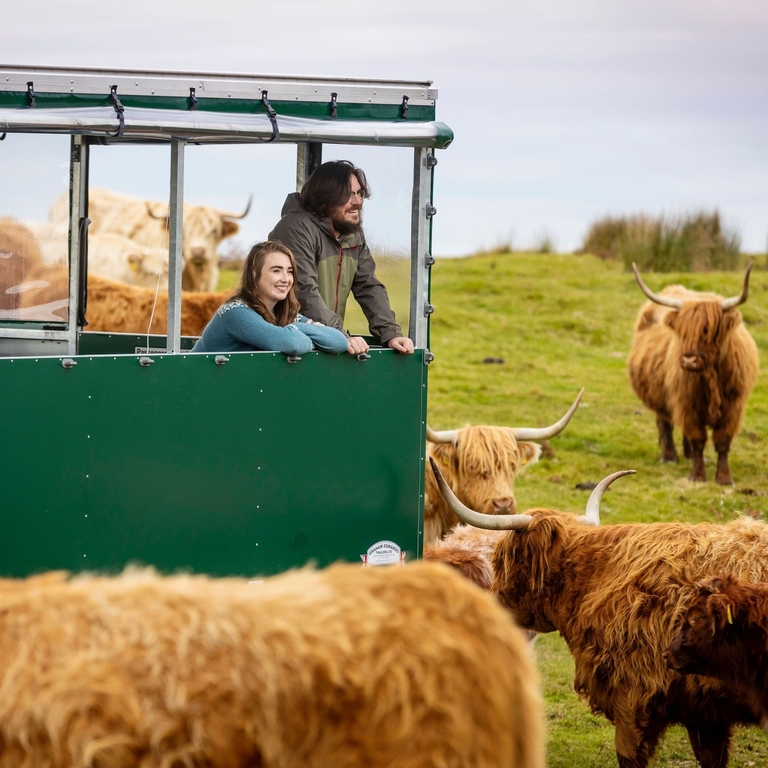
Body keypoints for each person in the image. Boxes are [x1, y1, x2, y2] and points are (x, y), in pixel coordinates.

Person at [269, 160, 415, 356]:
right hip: (288, 346)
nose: (358, 201)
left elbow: (368, 285)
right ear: (325, 197)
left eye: (359, 193)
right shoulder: (295, 227)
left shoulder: (351, 233)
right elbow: (303, 290)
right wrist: (339, 336)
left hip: (325, 341)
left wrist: (390, 334)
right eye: (348, 194)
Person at [191, 241, 348, 356]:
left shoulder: (281, 313)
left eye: (290, 271)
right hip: (192, 391)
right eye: (276, 271)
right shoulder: (235, 312)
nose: (286, 279)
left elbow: (339, 342)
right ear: (254, 273)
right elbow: (295, 343)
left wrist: (290, 330)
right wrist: (305, 329)